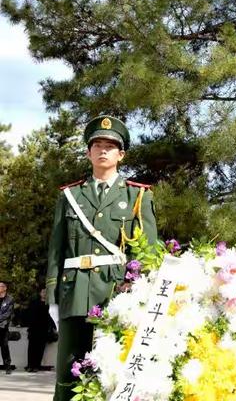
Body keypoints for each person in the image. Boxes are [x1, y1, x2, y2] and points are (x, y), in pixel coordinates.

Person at [46, 115, 158, 401]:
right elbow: (56, 250)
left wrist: (141, 295)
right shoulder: (70, 195)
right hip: (75, 293)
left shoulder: (138, 196)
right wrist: (52, 296)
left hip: (116, 293)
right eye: (97, 145)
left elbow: (147, 252)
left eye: (110, 146)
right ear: (88, 152)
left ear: (121, 154)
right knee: (69, 373)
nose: (103, 150)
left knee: (113, 373)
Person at [25, 287, 56, 372]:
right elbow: (29, 314)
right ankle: (30, 365)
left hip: (43, 329)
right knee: (31, 348)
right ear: (40, 293)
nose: (44, 293)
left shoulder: (50, 305)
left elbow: (51, 317)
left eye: (46, 292)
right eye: (43, 292)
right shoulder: (34, 303)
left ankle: (36, 366)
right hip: (33, 329)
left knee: (40, 349)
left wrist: (53, 327)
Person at [0, 281, 14, 374]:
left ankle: (7, 366)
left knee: (4, 346)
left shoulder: (10, 299)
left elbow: (8, 313)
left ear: (5, 288)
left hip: (3, 326)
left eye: (0, 286)